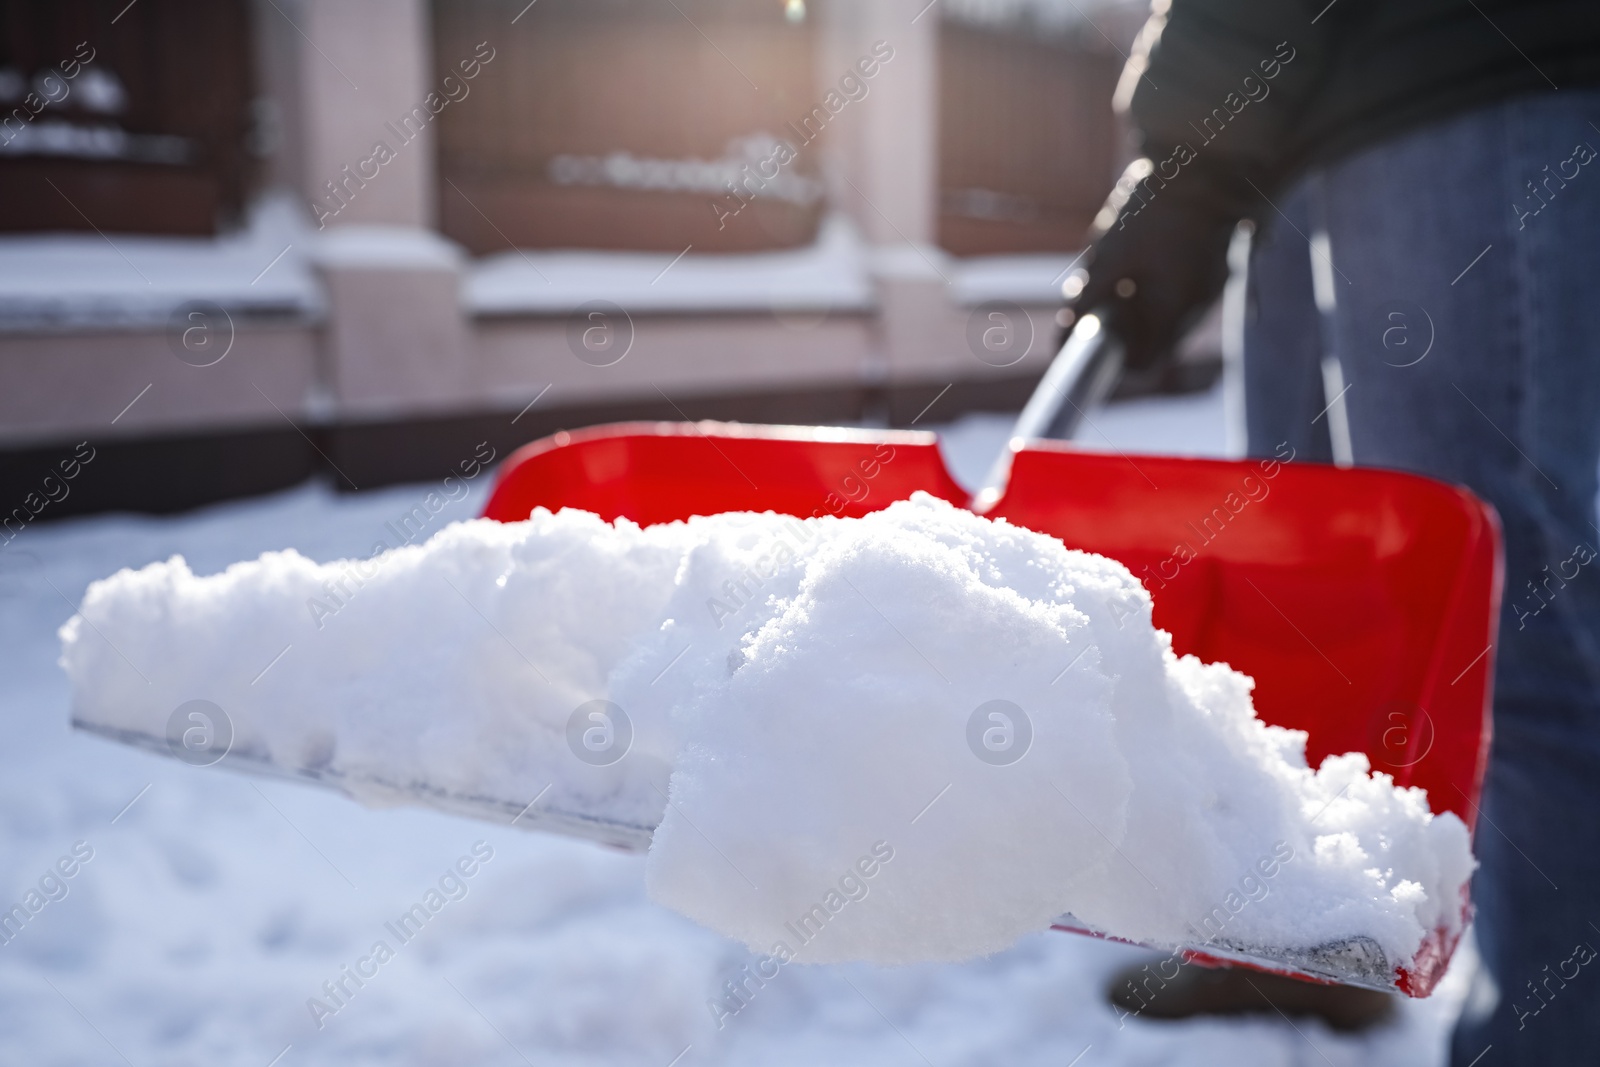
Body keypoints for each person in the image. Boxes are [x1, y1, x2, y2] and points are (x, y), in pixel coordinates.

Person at [1063, 2, 1600, 1063]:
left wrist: (1191, 137)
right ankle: (1318, 928)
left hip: (1473, 73)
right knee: (1305, 582)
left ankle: (1554, 1029)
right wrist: (1206, 161)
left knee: (1505, 607)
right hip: (1310, 124)